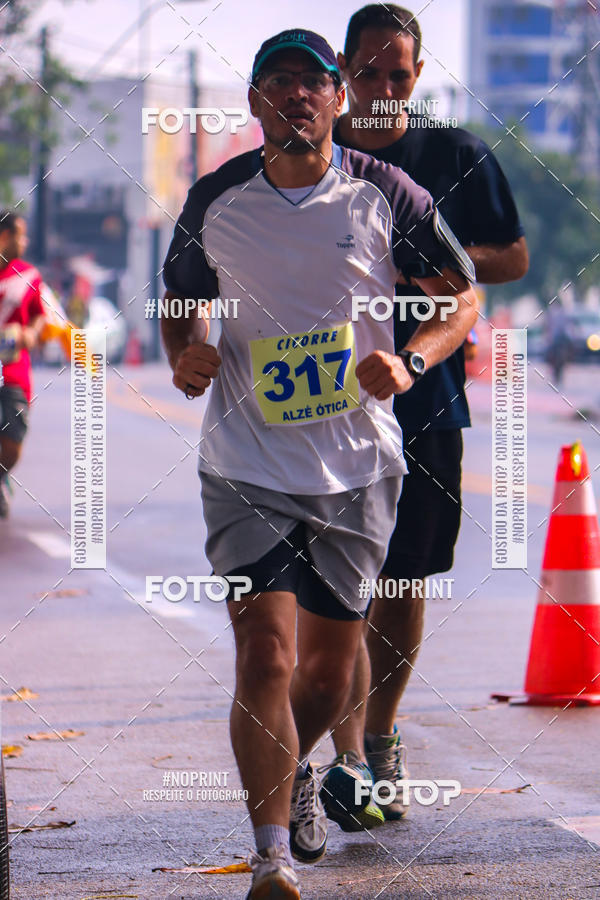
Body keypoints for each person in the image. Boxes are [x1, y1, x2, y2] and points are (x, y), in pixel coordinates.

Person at [161, 28, 478, 900]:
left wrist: (412, 361)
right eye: (279, 82)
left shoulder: (386, 194)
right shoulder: (217, 198)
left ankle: (298, 765)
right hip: (245, 461)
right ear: (256, 101)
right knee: (264, 651)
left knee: (330, 671)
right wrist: (186, 349)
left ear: (339, 99)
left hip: (357, 467)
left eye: (315, 82)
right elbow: (180, 300)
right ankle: (267, 858)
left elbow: (461, 295)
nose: (298, 95)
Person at [323, 3, 529, 824]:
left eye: (396, 75)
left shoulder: (455, 154)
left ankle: (380, 737)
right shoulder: (311, 155)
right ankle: (343, 762)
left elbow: (509, 258)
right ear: (343, 72)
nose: (380, 88)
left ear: (418, 76)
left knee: (402, 576)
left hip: (426, 393)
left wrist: (435, 252)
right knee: (336, 582)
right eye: (365, 73)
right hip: (320, 398)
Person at [0, 212, 46, 518]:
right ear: (4, 236)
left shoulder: (29, 275)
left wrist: (31, 332)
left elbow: (40, 316)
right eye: (20, 234)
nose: (25, 241)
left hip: (13, 372)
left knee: (14, 438)